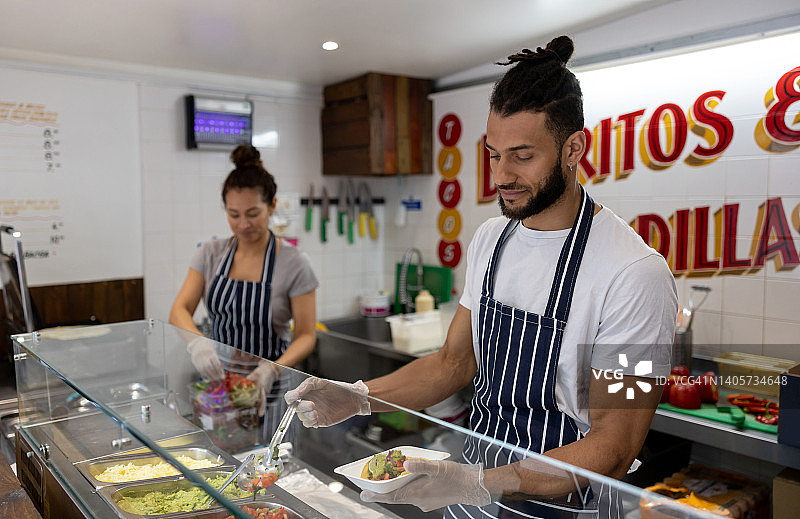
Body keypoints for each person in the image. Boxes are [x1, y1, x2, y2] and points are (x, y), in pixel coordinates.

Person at [285, 35, 677, 518]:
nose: (501, 175)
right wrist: (357, 398)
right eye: (493, 154)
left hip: (566, 507)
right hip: (476, 499)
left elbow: (615, 445)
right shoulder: (492, 240)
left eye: (522, 155)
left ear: (574, 148)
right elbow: (451, 364)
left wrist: (481, 483)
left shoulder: (635, 274)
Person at [170, 144, 318, 439]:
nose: (243, 224)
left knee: (273, 462)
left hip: (272, 389)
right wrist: (197, 344)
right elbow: (179, 311)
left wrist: (270, 370)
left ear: (272, 205)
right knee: (219, 461)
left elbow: (306, 335)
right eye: (233, 214)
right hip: (219, 388)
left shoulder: (294, 263)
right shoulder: (210, 254)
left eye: (253, 213)